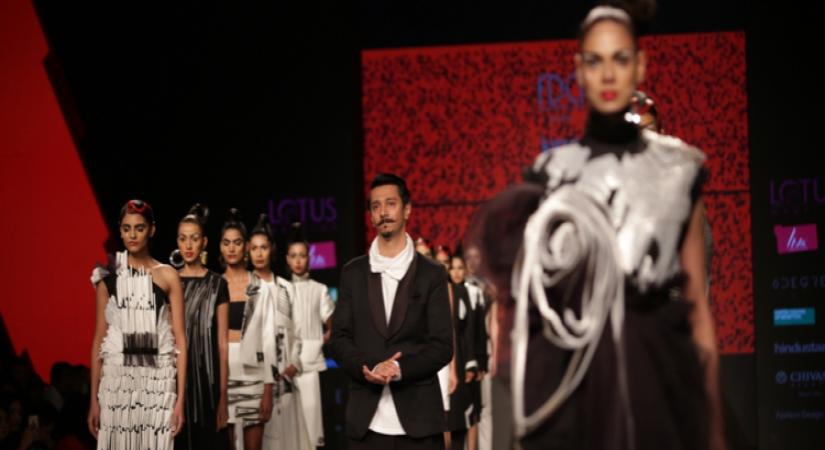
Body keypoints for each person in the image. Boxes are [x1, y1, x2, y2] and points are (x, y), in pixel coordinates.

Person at [471, 5, 724, 450]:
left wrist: (713, 423)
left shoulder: (679, 172)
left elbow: (697, 307)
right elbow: (534, 312)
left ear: (641, 66)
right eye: (595, 60)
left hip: (659, 375)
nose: (608, 73)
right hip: (578, 380)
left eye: (620, 58)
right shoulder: (553, 173)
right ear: (579, 71)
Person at [330, 173, 453, 450]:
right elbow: (339, 339)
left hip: (419, 423)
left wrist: (398, 368)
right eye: (375, 206)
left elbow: (442, 346)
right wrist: (368, 367)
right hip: (366, 423)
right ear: (371, 216)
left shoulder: (432, 273)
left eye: (390, 203)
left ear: (407, 209)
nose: (383, 212)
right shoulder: (353, 273)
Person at [88, 199, 186, 450]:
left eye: (139, 228)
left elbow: (181, 343)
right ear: (119, 230)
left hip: (158, 383)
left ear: (152, 230)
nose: (132, 234)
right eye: (126, 228)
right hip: (116, 384)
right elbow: (99, 340)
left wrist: (179, 402)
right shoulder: (106, 279)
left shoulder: (168, 276)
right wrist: (94, 401)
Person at [174, 204, 231, 450]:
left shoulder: (218, 284)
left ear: (204, 242)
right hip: (177, 380)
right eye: (183, 239)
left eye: (194, 239)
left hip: (208, 382)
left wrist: (223, 396)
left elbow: (222, 344)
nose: (188, 245)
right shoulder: (169, 280)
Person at [221, 209, 275, 450]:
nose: (232, 248)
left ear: (245, 247)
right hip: (224, 375)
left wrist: (268, 388)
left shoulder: (260, 286)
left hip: (255, 372)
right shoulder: (215, 284)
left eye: (237, 243)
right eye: (226, 243)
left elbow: (269, 339)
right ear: (220, 248)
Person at [285, 223, 335, 448]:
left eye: (302, 255)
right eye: (293, 256)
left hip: (311, 365)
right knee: (288, 429)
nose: (298, 260)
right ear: (287, 259)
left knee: (312, 428)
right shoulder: (281, 288)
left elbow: (330, 320)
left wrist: (328, 333)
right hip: (286, 365)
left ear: (309, 258)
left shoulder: (320, 289)